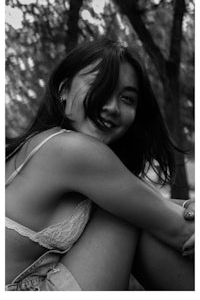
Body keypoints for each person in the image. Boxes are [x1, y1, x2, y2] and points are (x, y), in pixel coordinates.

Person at [6, 39, 194, 291]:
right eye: (99, 86)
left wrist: (184, 206)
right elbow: (181, 231)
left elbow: (138, 201)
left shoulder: (43, 144)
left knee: (130, 210)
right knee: (128, 215)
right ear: (63, 89)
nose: (111, 107)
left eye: (127, 99)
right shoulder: (71, 150)